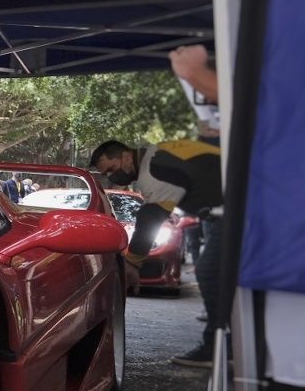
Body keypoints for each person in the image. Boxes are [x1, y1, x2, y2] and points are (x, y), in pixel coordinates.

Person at [89, 137, 223, 366]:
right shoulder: (160, 153)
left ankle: (217, 348)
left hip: (237, 208)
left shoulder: (153, 168)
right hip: (229, 206)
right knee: (224, 277)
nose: (113, 177)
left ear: (127, 157)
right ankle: (227, 339)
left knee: (210, 274)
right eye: (107, 174)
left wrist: (132, 263)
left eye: (112, 169)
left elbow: (150, 217)